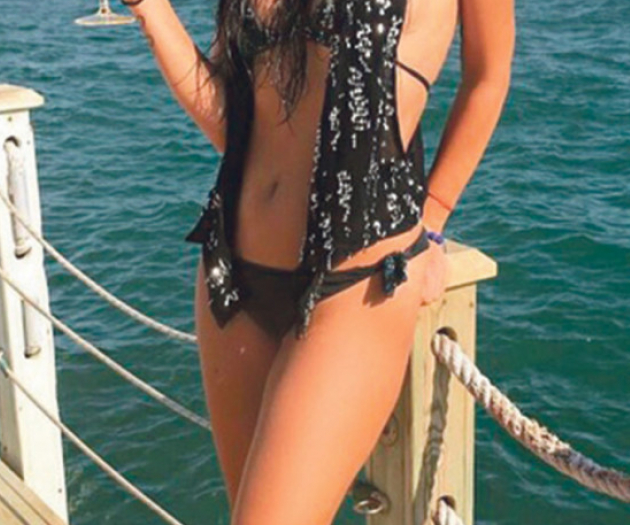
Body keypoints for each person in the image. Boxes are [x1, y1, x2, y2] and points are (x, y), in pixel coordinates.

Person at [124, 0, 513, 521]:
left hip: (355, 287)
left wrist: (435, 215)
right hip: (232, 276)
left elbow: (488, 76)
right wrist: (150, 10)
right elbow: (232, 125)